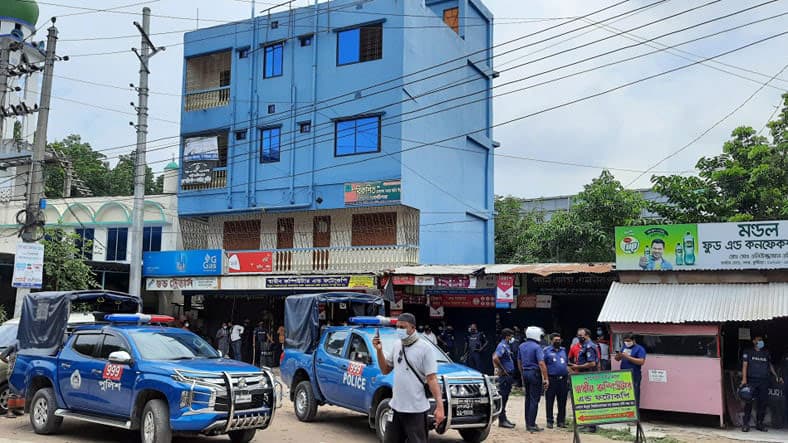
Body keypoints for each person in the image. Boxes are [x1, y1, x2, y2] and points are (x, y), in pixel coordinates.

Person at [373, 313, 444, 443]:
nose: (399, 330)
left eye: (403, 327)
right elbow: (385, 370)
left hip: (416, 411)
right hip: (396, 408)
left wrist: (440, 407)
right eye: (397, 327)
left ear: (412, 327)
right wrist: (379, 350)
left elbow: (432, 379)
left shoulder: (425, 349)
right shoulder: (396, 345)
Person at [740, 334, 782, 432]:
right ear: (754, 341)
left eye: (761, 340)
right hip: (751, 381)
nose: (760, 342)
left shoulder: (766, 352)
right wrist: (744, 379)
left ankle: (760, 424)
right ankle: (746, 424)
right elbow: (745, 366)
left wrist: (776, 376)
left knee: (762, 403)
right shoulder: (748, 352)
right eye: (758, 340)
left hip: (764, 381)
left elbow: (770, 365)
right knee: (748, 402)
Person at [518, 326, 548, 433]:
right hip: (534, 373)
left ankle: (528, 423)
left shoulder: (521, 346)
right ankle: (531, 424)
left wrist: (522, 374)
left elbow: (519, 361)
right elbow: (541, 363)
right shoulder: (537, 347)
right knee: (534, 399)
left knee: (528, 398)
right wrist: (546, 378)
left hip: (525, 372)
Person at [569, 328, 599, 432]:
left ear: (587, 335)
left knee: (590, 401)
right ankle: (586, 423)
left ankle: (592, 426)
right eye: (578, 335)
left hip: (588, 377)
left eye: (580, 335)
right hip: (584, 376)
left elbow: (592, 363)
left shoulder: (590, 346)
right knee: (585, 401)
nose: (579, 337)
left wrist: (577, 367)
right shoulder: (584, 346)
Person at [492, 329, 516, 429]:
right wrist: (502, 369)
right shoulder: (502, 345)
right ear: (507, 336)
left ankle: (504, 419)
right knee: (503, 398)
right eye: (511, 336)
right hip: (505, 376)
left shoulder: (506, 345)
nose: (512, 338)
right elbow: (495, 358)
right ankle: (502, 420)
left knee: (505, 398)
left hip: (508, 375)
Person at [544, 333, 569, 429]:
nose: (558, 341)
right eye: (556, 340)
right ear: (551, 341)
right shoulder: (546, 351)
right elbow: (543, 365)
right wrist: (545, 379)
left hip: (563, 379)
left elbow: (566, 363)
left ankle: (561, 421)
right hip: (551, 379)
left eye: (559, 340)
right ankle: (549, 421)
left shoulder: (563, 350)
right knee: (550, 400)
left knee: (562, 401)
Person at [615, 333, 647, 407]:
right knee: (624, 394)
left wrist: (628, 357)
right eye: (625, 341)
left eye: (628, 341)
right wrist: (619, 356)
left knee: (634, 394)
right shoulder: (624, 347)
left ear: (633, 340)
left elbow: (641, 362)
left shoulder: (640, 349)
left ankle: (635, 413)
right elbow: (617, 359)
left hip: (634, 375)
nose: (626, 342)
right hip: (623, 374)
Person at [1, 340, 20, 418]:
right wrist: (9, 363)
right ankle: (9, 412)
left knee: (18, 392)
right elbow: (2, 356)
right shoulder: (14, 345)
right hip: (12, 372)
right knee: (12, 391)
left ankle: (15, 409)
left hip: (20, 372)